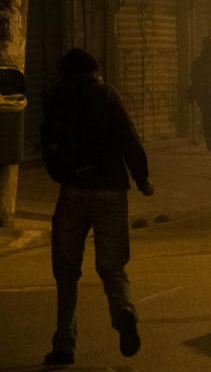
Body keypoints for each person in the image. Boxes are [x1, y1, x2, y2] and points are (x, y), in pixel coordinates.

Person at [40, 48, 154, 366]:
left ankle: (64, 342)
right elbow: (130, 140)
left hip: (73, 191)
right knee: (113, 266)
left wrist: (65, 171)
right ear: (94, 70)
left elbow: (47, 142)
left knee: (66, 272)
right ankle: (124, 311)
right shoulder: (106, 95)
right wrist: (142, 179)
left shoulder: (56, 97)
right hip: (111, 190)